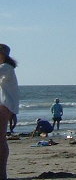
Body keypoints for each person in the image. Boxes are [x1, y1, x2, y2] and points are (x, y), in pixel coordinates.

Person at [0, 44, 19, 180]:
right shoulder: (7, 68)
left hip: (4, 106)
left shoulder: (5, 67)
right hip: (6, 106)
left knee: (1, 140)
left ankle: (2, 173)